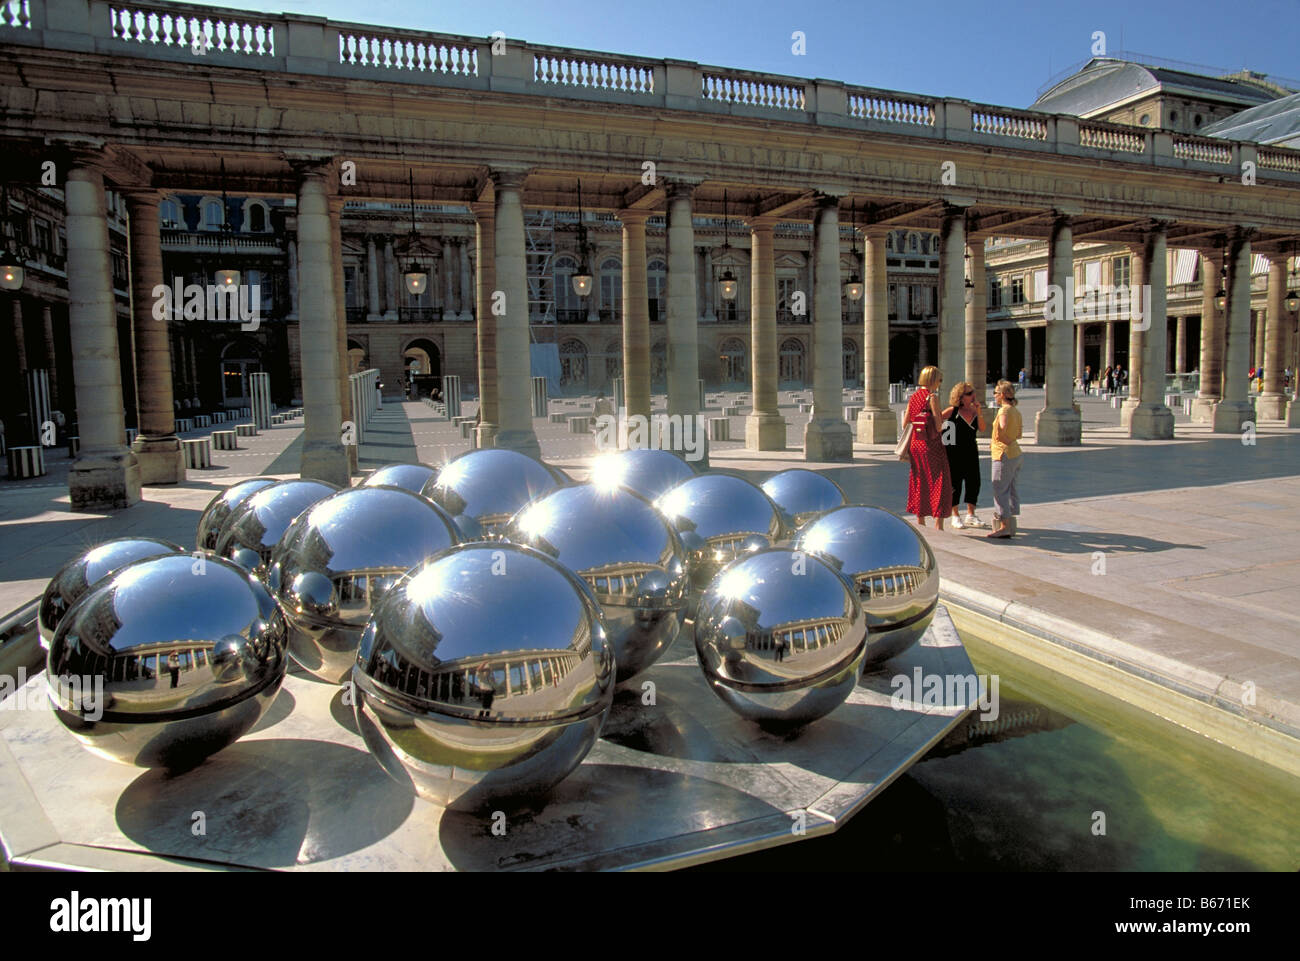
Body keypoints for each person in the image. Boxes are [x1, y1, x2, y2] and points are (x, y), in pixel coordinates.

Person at [906, 366, 952, 531]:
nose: (940, 383)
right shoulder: (932, 397)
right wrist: (942, 418)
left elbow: (906, 423)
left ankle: (921, 520)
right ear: (933, 380)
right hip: (931, 445)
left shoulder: (914, 397)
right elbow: (939, 427)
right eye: (939, 380)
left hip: (915, 444)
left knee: (920, 480)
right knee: (939, 481)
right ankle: (939, 524)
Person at [941, 381, 986, 529]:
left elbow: (983, 428)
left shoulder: (974, 411)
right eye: (969, 393)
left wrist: (979, 411)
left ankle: (971, 514)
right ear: (960, 397)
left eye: (973, 392)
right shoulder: (952, 411)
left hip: (971, 450)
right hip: (954, 452)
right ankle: (955, 515)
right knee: (955, 483)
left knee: (974, 481)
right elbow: (937, 423)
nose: (973, 396)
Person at [987, 380, 1023, 540]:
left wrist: (1000, 437)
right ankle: (1010, 520)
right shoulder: (1016, 411)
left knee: (999, 488)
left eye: (995, 393)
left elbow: (1001, 428)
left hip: (1003, 454)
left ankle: (1004, 526)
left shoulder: (1004, 412)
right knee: (1010, 487)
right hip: (1016, 453)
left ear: (1002, 395)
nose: (994, 396)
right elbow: (1019, 434)